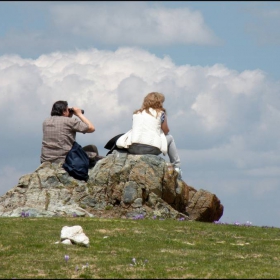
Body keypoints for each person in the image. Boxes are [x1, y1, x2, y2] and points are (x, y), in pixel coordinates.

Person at [116, 92, 182, 179]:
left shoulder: (136, 113)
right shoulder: (161, 114)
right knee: (170, 138)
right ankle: (176, 166)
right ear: (159, 102)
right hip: (152, 149)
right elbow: (166, 131)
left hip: (133, 148)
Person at [40, 100, 98, 165]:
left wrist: (69, 115)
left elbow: (62, 126)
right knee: (92, 149)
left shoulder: (46, 122)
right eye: (68, 109)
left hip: (46, 160)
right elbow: (91, 128)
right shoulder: (70, 121)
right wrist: (79, 114)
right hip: (64, 160)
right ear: (64, 111)